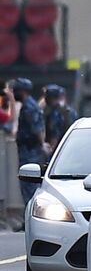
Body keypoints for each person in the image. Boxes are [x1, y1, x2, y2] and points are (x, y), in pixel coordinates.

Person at [13, 79, 44, 208]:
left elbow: (37, 129)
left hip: (30, 152)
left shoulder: (29, 108)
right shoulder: (28, 105)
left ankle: (30, 216)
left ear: (22, 91)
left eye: (16, 90)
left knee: (29, 186)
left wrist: (42, 144)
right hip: (28, 151)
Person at [43, 85, 76, 151]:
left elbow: (55, 135)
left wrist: (51, 150)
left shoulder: (55, 113)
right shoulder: (69, 110)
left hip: (59, 148)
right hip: (70, 145)